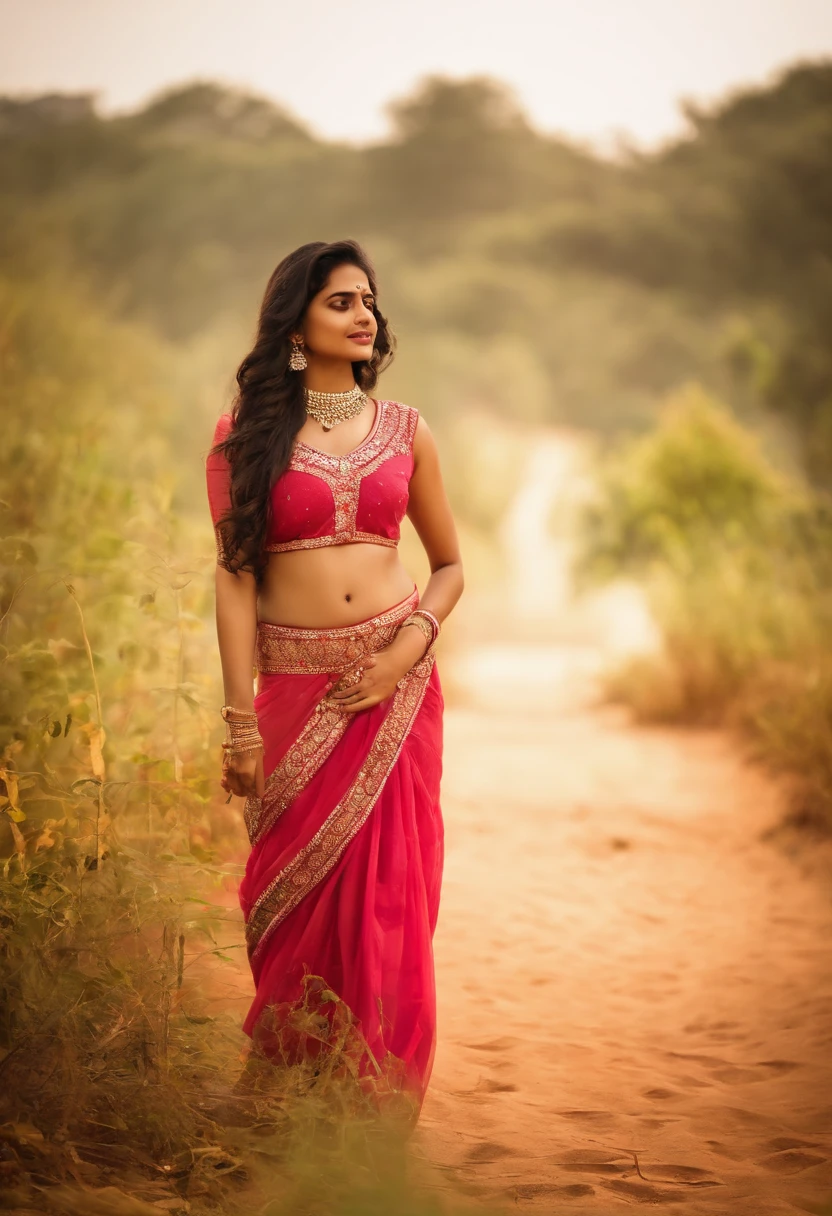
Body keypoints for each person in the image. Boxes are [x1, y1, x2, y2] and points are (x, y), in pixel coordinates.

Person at [205, 239, 463, 1109]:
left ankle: (371, 1108)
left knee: (388, 899)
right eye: (342, 301)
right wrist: (239, 720)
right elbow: (236, 576)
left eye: (369, 302)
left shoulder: (407, 430)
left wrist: (403, 654)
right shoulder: (242, 437)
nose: (365, 316)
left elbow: (450, 566)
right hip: (294, 693)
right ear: (296, 322)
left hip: (395, 690)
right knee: (292, 902)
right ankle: (284, 1101)